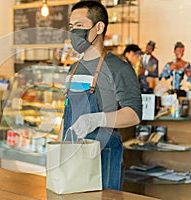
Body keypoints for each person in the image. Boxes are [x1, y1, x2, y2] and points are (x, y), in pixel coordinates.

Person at [61, 1, 142, 190]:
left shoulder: (119, 68)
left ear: (99, 27)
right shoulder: (73, 69)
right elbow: (66, 113)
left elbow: (134, 114)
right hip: (72, 158)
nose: (73, 32)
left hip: (104, 158)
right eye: (71, 27)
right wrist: (60, 148)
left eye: (79, 26)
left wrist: (96, 119)